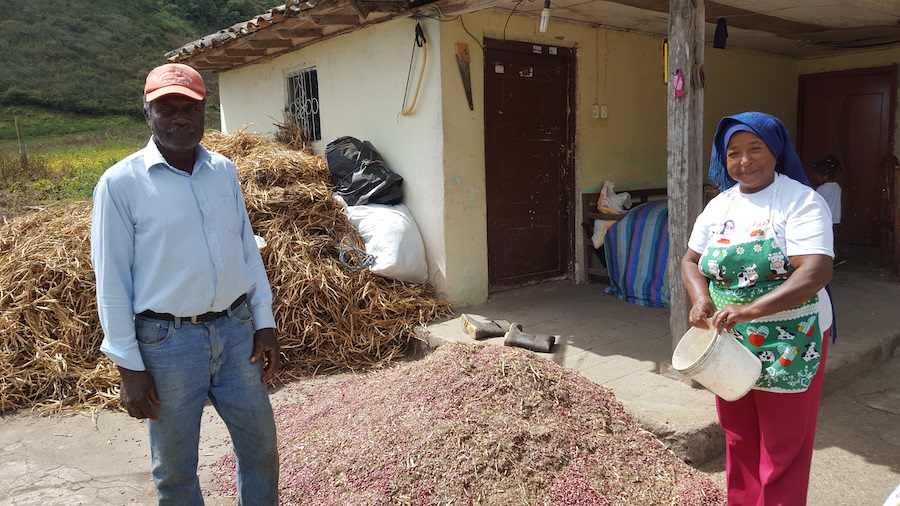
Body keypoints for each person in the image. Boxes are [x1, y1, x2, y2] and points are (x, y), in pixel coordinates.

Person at [91, 63, 280, 505]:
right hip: (166, 344)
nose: (179, 117)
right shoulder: (120, 184)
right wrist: (129, 366)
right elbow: (112, 281)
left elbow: (245, 250)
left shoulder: (223, 171)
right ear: (148, 113)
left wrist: (263, 321)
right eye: (166, 107)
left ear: (203, 112)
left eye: (189, 107)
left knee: (261, 450)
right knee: (175, 470)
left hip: (235, 333)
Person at [681, 112, 834, 505]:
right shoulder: (719, 207)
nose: (744, 161)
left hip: (791, 340)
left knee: (783, 446)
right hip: (730, 341)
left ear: (776, 151)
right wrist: (701, 299)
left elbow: (815, 271)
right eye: (733, 153)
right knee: (738, 435)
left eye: (755, 149)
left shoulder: (800, 201)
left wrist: (752, 310)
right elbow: (690, 261)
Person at [811, 155, 843, 265]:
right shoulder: (837, 187)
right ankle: (836, 257)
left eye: (817, 174)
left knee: (824, 239)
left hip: (825, 218)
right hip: (835, 217)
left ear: (825, 174)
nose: (815, 177)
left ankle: (834, 258)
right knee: (831, 238)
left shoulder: (822, 189)